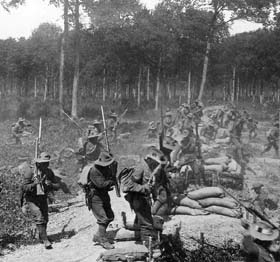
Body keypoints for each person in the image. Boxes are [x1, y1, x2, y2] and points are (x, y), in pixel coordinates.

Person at [20, 152, 60, 249]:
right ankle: (46, 240)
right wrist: (35, 184)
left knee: (45, 218)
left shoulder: (49, 172)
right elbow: (24, 187)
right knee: (39, 216)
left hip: (42, 197)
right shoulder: (30, 172)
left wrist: (50, 184)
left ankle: (42, 236)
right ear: (38, 163)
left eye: (47, 163)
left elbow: (57, 186)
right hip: (31, 199)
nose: (46, 165)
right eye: (43, 163)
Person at [118, 165, 158, 246]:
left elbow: (152, 186)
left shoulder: (152, 171)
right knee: (146, 223)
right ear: (149, 161)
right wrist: (143, 188)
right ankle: (148, 245)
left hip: (143, 199)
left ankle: (141, 235)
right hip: (138, 199)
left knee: (145, 219)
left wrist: (154, 197)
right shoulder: (141, 169)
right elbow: (128, 185)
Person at [86, 152, 118, 249]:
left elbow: (110, 177)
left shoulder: (106, 168)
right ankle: (103, 240)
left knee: (110, 216)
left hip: (104, 194)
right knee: (103, 219)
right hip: (95, 197)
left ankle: (98, 235)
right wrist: (111, 181)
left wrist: (114, 171)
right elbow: (101, 184)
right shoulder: (94, 170)